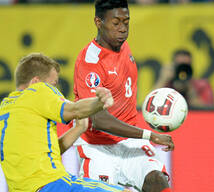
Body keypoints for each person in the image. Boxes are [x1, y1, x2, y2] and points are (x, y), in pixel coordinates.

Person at [73, 0, 174, 192]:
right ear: (98, 22)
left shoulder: (123, 47)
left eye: (126, 22)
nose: (122, 29)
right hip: (98, 147)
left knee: (157, 180)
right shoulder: (90, 61)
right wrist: (149, 135)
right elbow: (98, 119)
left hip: (129, 142)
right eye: (116, 23)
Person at [0, 53, 129, 192]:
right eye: (53, 84)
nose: (54, 90)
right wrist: (99, 102)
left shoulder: (2, 112)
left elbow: (47, 152)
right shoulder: (36, 91)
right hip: (52, 185)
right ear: (35, 82)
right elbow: (74, 109)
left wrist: (79, 129)